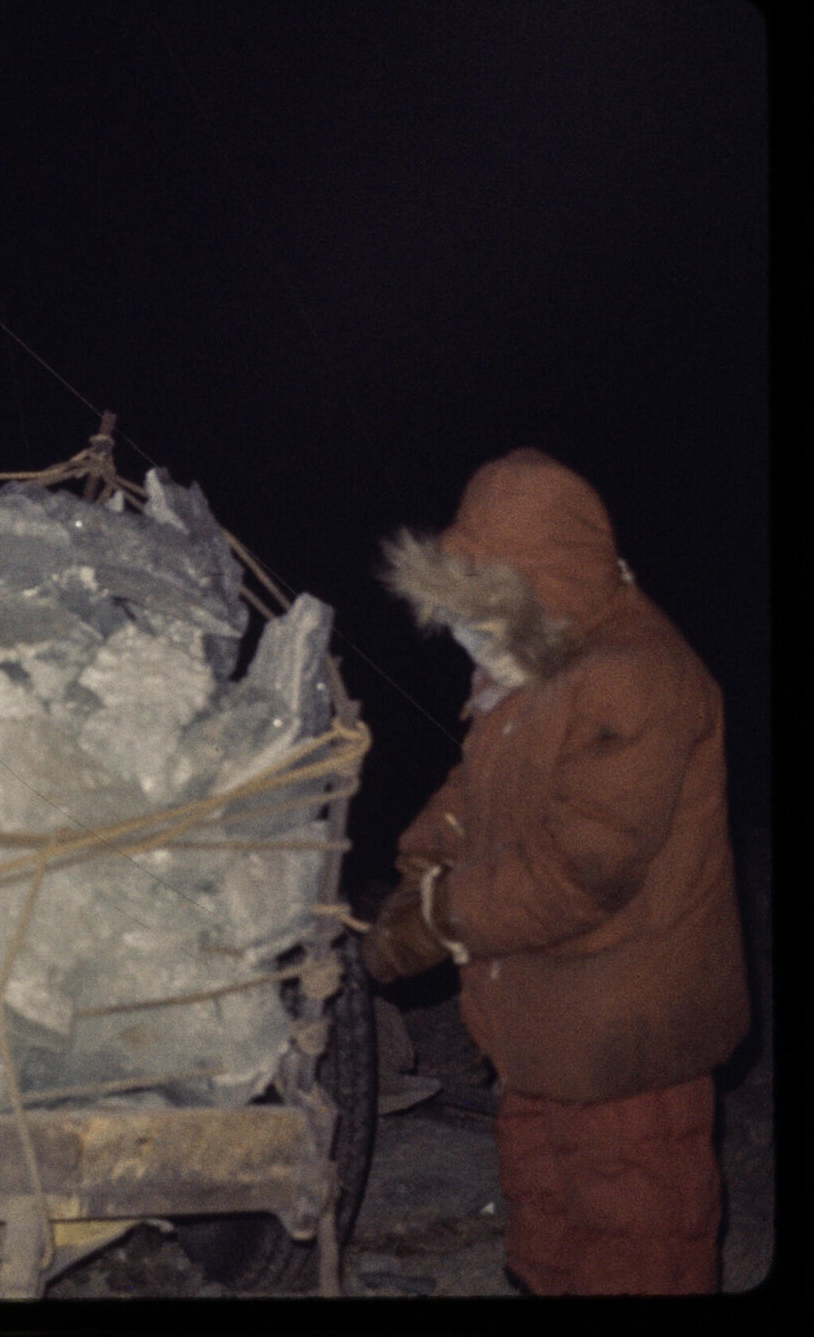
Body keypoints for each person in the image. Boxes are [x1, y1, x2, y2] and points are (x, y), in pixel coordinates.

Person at [362, 448, 748, 1295]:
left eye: (484, 605)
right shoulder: (538, 662)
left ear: (545, 584)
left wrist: (439, 917)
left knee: (634, 1224)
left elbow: (580, 867)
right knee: (544, 1200)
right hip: (545, 1019)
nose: (468, 631)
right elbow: (479, 786)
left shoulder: (637, 678)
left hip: (627, 1033)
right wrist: (424, 856)